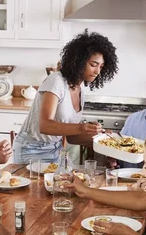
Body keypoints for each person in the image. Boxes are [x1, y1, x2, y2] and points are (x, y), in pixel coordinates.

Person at [13, 29, 119, 164]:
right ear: (79, 61)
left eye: (101, 66)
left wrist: (100, 138)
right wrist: (83, 127)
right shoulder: (56, 81)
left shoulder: (80, 90)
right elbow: (44, 125)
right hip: (31, 149)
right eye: (93, 64)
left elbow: (72, 139)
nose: (97, 71)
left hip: (55, 149)